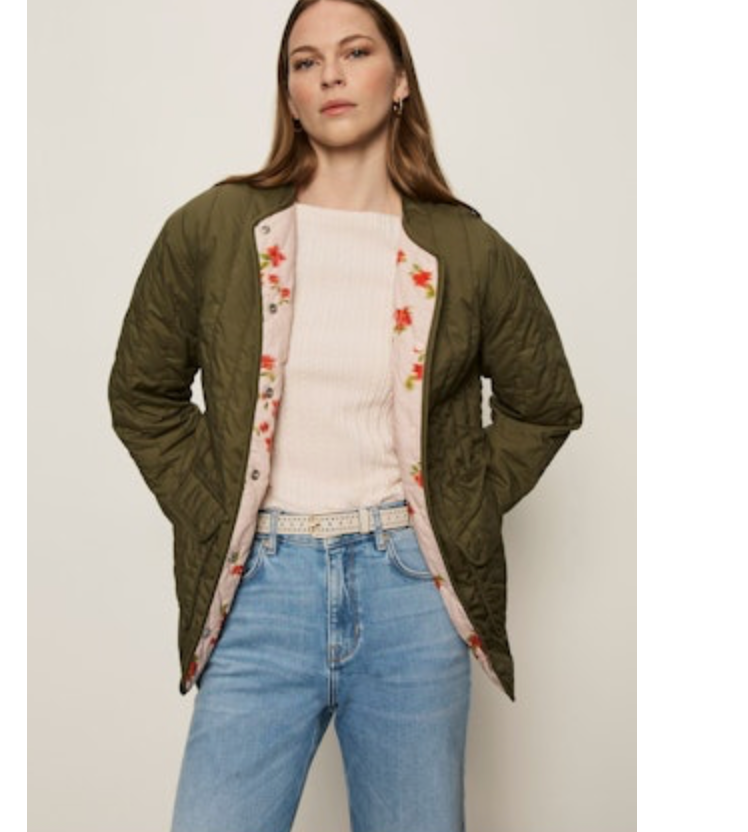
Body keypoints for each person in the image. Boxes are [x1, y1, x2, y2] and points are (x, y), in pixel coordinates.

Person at [108, 1, 583, 830]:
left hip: (411, 596)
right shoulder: (215, 229)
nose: (330, 73)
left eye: (356, 52)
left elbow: (544, 404)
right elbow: (142, 394)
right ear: (290, 95)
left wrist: (460, 501)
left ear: (398, 80)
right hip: (259, 591)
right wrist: (213, 504)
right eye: (305, 61)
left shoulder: (466, 249)